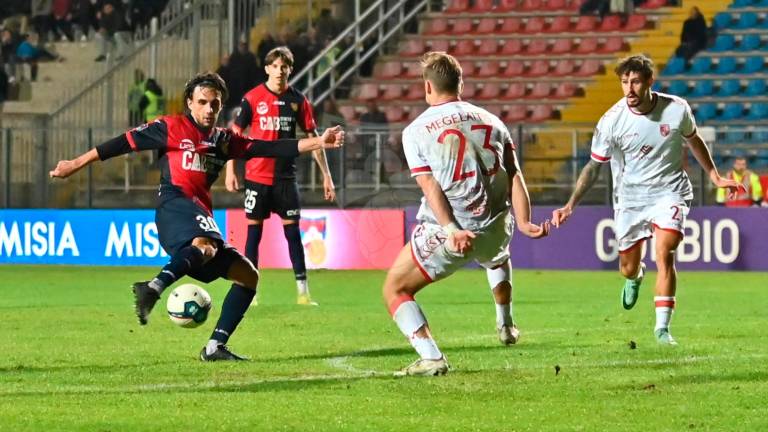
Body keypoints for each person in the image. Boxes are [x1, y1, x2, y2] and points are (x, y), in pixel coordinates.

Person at [50, 72, 345, 361]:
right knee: (206, 244)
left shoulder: (224, 140)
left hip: (200, 214)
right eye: (202, 102)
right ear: (189, 103)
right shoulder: (170, 127)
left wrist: (320, 142)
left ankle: (215, 347)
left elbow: (271, 146)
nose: (209, 109)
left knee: (248, 275)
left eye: (215, 104)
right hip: (174, 207)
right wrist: (75, 164)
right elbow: (122, 143)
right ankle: (152, 288)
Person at [551, 55, 742, 346]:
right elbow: (593, 167)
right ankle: (635, 276)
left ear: (650, 82)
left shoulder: (676, 109)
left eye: (636, 81)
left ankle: (662, 329)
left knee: (665, 250)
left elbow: (694, 139)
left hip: (670, 192)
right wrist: (570, 205)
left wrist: (715, 176)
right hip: (630, 199)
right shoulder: (612, 121)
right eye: (624, 82)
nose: (629, 89)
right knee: (627, 266)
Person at [383, 52, 550, 377]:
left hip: (451, 231)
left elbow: (429, 184)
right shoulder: (493, 121)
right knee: (498, 259)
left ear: (428, 86)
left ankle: (431, 357)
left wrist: (450, 228)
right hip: (497, 226)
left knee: (395, 288)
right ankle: (506, 326)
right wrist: (526, 220)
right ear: (460, 84)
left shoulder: (416, 131)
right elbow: (515, 174)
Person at [225, 46, 335, 306]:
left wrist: (326, 177)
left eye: (284, 66)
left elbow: (314, 140)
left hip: (286, 179)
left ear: (290, 70)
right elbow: (234, 135)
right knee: (253, 235)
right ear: (267, 69)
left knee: (293, 235)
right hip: (256, 178)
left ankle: (303, 293)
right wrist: (230, 169)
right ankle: (250, 291)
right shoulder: (252, 99)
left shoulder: (298, 100)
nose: (279, 71)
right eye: (274, 66)